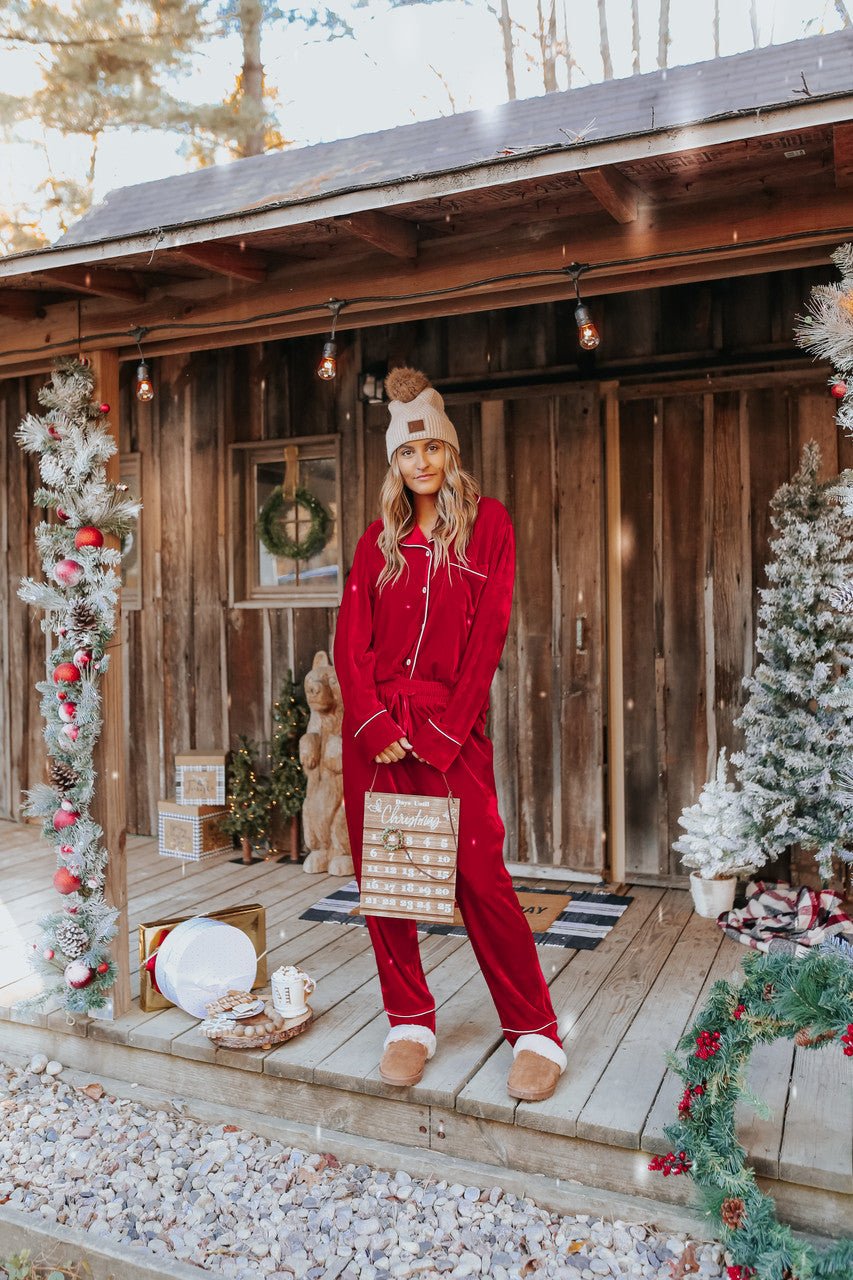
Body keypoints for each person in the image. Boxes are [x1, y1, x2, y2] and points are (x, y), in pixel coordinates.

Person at [333, 367, 567, 1102]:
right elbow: (349, 642)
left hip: (448, 727)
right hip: (376, 730)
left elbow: (488, 635)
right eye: (408, 453)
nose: (421, 462)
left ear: (449, 452)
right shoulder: (379, 539)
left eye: (431, 447)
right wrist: (372, 725)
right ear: (394, 465)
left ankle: (534, 1030)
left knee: (481, 879)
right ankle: (408, 1020)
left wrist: (441, 733)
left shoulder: (488, 524)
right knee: (388, 878)